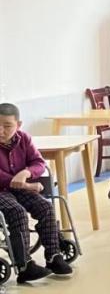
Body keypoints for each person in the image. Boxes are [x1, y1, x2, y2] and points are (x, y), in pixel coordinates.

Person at [0, 103, 74, 282]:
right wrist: (26, 185)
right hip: (2, 190)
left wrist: (26, 173)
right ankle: (24, 265)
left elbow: (39, 163)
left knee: (45, 207)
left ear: (19, 124)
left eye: (7, 126)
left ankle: (53, 256)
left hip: (20, 187)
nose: (1, 131)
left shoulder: (24, 139)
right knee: (16, 211)